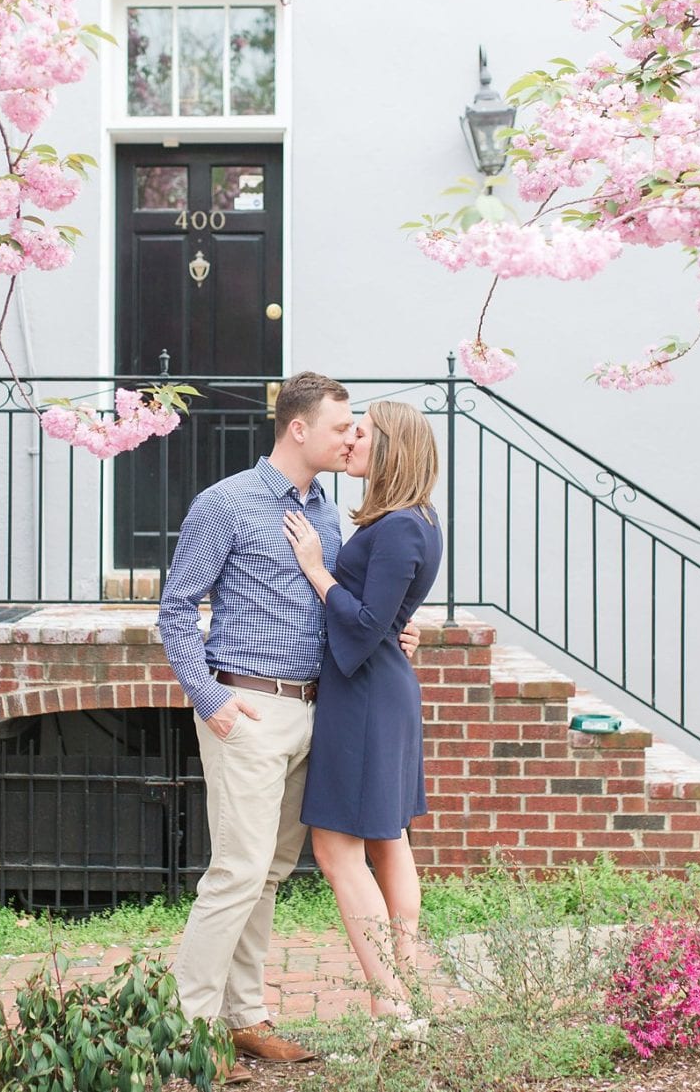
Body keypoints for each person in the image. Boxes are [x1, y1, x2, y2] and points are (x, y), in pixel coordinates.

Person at [158, 372, 421, 1084]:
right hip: (246, 708)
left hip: (316, 711)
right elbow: (176, 610)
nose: (352, 439)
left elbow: (339, 605)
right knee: (237, 871)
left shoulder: (329, 514)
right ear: (298, 428)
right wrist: (210, 699)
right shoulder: (226, 504)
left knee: (270, 873)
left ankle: (244, 1018)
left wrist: (396, 633)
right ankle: (186, 1031)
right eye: (342, 428)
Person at [280, 400, 443, 1032]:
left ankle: (393, 1002)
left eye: (362, 434)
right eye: (348, 430)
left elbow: (372, 620)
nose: (350, 441)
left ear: (393, 449)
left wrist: (318, 571)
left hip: (367, 696)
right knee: (387, 838)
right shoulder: (416, 520)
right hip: (380, 687)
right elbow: (389, 615)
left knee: (338, 847)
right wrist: (398, 627)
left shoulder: (400, 525)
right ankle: (401, 992)